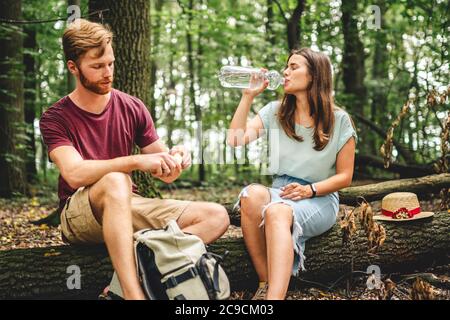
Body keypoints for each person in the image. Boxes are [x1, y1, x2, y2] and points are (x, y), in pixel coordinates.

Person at [39, 19, 229, 300]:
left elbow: (166, 174)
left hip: (127, 204)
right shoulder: (55, 117)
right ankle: (133, 294)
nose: (108, 73)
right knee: (117, 180)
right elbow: (75, 174)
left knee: (216, 216)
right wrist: (135, 161)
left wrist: (175, 158)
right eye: (97, 66)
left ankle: (127, 275)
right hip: (79, 212)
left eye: (110, 63)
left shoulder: (132, 107)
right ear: (73, 67)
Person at [227, 48, 358, 300]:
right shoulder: (276, 111)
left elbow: (345, 176)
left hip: (320, 195)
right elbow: (235, 140)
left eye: (294, 67)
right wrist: (247, 96)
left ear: (315, 75)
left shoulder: (340, 120)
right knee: (251, 195)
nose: (285, 72)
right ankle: (266, 282)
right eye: (286, 66)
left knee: (278, 211)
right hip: (282, 190)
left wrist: (309, 190)